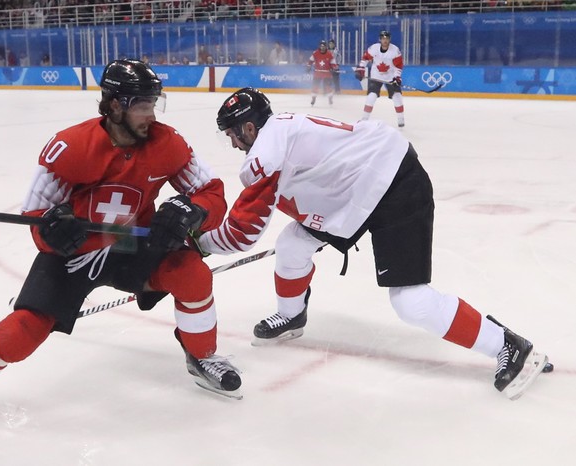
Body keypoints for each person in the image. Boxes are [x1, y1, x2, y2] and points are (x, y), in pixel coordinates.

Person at [0, 59, 242, 433]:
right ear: (114, 106)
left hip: (131, 242)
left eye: (153, 104)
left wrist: (191, 210)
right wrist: (52, 231)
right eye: (143, 105)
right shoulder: (70, 147)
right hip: (75, 251)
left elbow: (210, 192)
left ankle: (202, 357)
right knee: (19, 333)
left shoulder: (168, 143)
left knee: (192, 274)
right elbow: (36, 214)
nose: (150, 114)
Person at [201, 87, 549, 401]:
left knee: (411, 301)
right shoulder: (283, 130)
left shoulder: (267, 152)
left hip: (394, 185)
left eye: (232, 135)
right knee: (292, 244)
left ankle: (508, 345)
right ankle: (292, 316)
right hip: (352, 193)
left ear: (249, 128)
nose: (232, 144)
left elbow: (243, 231)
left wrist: (200, 245)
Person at [355, 30, 405, 127]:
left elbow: (398, 66)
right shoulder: (374, 48)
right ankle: (364, 119)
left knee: (397, 96)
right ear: (380, 39)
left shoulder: (395, 50)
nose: (385, 41)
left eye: (387, 39)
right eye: (383, 39)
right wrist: (360, 68)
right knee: (371, 96)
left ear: (389, 39)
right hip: (376, 75)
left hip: (390, 76)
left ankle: (400, 118)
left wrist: (397, 77)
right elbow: (365, 58)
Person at [306, 40, 338, 106]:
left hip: (327, 73)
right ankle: (313, 98)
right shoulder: (315, 53)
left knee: (328, 87)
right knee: (315, 86)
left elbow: (333, 63)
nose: (322, 47)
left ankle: (330, 98)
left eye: (323, 46)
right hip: (317, 73)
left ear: (326, 47)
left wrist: (334, 68)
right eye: (321, 46)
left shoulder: (329, 54)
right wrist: (308, 66)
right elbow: (310, 61)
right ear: (319, 46)